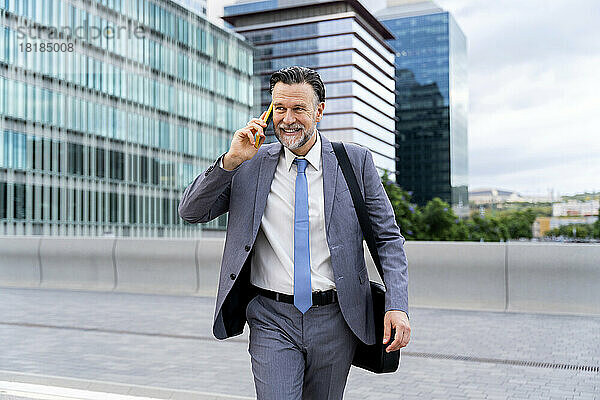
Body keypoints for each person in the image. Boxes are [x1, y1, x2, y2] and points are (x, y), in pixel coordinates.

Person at [178, 66, 410, 399]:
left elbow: (387, 239)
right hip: (271, 318)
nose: (288, 119)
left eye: (299, 109)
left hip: (336, 319)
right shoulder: (249, 162)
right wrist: (230, 160)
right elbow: (191, 211)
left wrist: (397, 305)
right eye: (280, 108)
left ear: (319, 110)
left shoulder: (355, 162)